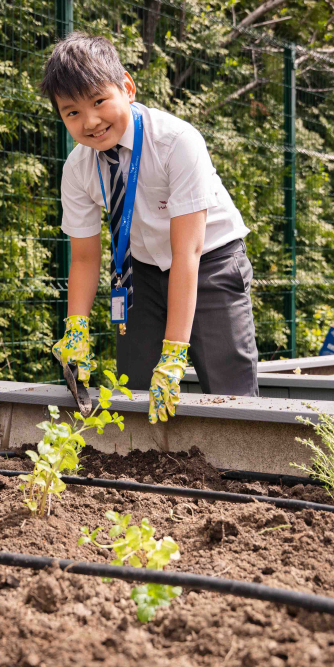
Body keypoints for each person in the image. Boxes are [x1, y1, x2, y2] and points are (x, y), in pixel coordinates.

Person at [44, 32, 258, 422]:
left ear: (127, 87)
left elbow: (188, 252)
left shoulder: (176, 142)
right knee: (134, 390)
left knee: (230, 393)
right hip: (139, 271)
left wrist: (174, 354)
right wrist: (76, 327)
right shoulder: (77, 168)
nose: (90, 121)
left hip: (209, 264)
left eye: (98, 101)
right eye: (72, 112)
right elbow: (85, 258)